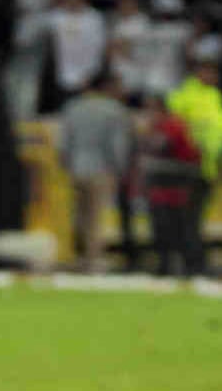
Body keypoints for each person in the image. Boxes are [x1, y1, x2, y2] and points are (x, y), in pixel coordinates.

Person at [59, 69, 132, 272]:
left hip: (76, 168)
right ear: (107, 87)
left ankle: (79, 257)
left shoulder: (72, 107)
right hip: (101, 169)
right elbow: (117, 145)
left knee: (79, 216)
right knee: (95, 217)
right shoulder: (114, 110)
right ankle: (93, 260)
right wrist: (119, 169)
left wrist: (67, 165)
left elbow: (63, 143)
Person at [166, 53, 222, 263]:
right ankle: (189, 259)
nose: (213, 76)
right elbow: (175, 128)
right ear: (199, 73)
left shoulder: (214, 96)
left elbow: (217, 133)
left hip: (208, 166)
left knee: (196, 215)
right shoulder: (183, 96)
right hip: (189, 165)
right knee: (186, 215)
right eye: (209, 71)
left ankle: (193, 257)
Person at [139, 93, 204, 276]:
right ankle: (165, 266)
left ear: (161, 110)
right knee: (162, 229)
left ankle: (191, 267)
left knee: (182, 229)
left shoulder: (174, 126)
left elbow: (164, 147)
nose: (148, 114)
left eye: (151, 109)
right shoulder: (158, 127)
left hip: (178, 186)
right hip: (161, 187)